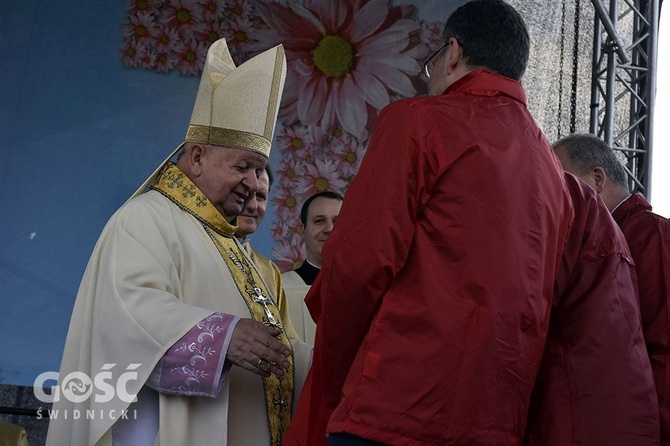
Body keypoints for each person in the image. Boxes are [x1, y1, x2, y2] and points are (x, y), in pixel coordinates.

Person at [283, 1, 573, 444]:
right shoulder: (553, 172)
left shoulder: (419, 121)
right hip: (495, 421)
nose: (430, 77)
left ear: (452, 53)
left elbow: (358, 265)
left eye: (430, 64)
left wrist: (340, 375)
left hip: (395, 406)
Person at [46, 39, 310, 446]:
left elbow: (282, 350)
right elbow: (126, 319)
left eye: (259, 171)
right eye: (243, 166)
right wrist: (222, 338)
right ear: (198, 156)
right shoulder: (146, 218)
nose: (254, 183)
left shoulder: (235, 246)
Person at [524, 172, 659, 445]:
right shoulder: (613, 234)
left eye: (565, 175)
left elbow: (663, 339)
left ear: (598, 178)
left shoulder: (653, 234)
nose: (557, 191)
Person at [553, 133, 670, 443]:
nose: (554, 196)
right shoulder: (604, 239)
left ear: (597, 178)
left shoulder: (651, 235)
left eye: (561, 183)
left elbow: (665, 345)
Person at [234, 166, 311, 407]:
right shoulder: (198, 253)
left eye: (260, 196)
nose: (252, 206)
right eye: (244, 194)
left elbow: (289, 343)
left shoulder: (268, 270)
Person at [281, 191, 343, 344]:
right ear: (303, 229)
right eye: (319, 221)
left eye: (338, 221)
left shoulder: (367, 289)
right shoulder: (280, 289)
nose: (330, 229)